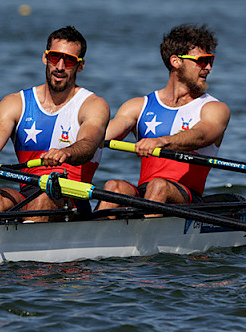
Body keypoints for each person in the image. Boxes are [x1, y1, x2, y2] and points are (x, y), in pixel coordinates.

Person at [0, 26, 110, 220]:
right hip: (28, 194)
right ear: (45, 58)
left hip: (71, 199)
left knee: (43, 199)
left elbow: (88, 144)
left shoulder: (93, 105)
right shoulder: (15, 103)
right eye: (55, 57)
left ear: (80, 66)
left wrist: (66, 152)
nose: (60, 67)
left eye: (70, 61)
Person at [95, 23, 229, 211]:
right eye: (202, 60)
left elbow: (201, 135)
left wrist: (161, 141)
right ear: (176, 61)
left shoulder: (214, 109)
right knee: (113, 187)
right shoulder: (138, 106)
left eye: (211, 61)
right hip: (146, 192)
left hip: (187, 198)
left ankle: (143, 235)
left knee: (159, 186)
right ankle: (96, 236)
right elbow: (102, 134)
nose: (208, 67)